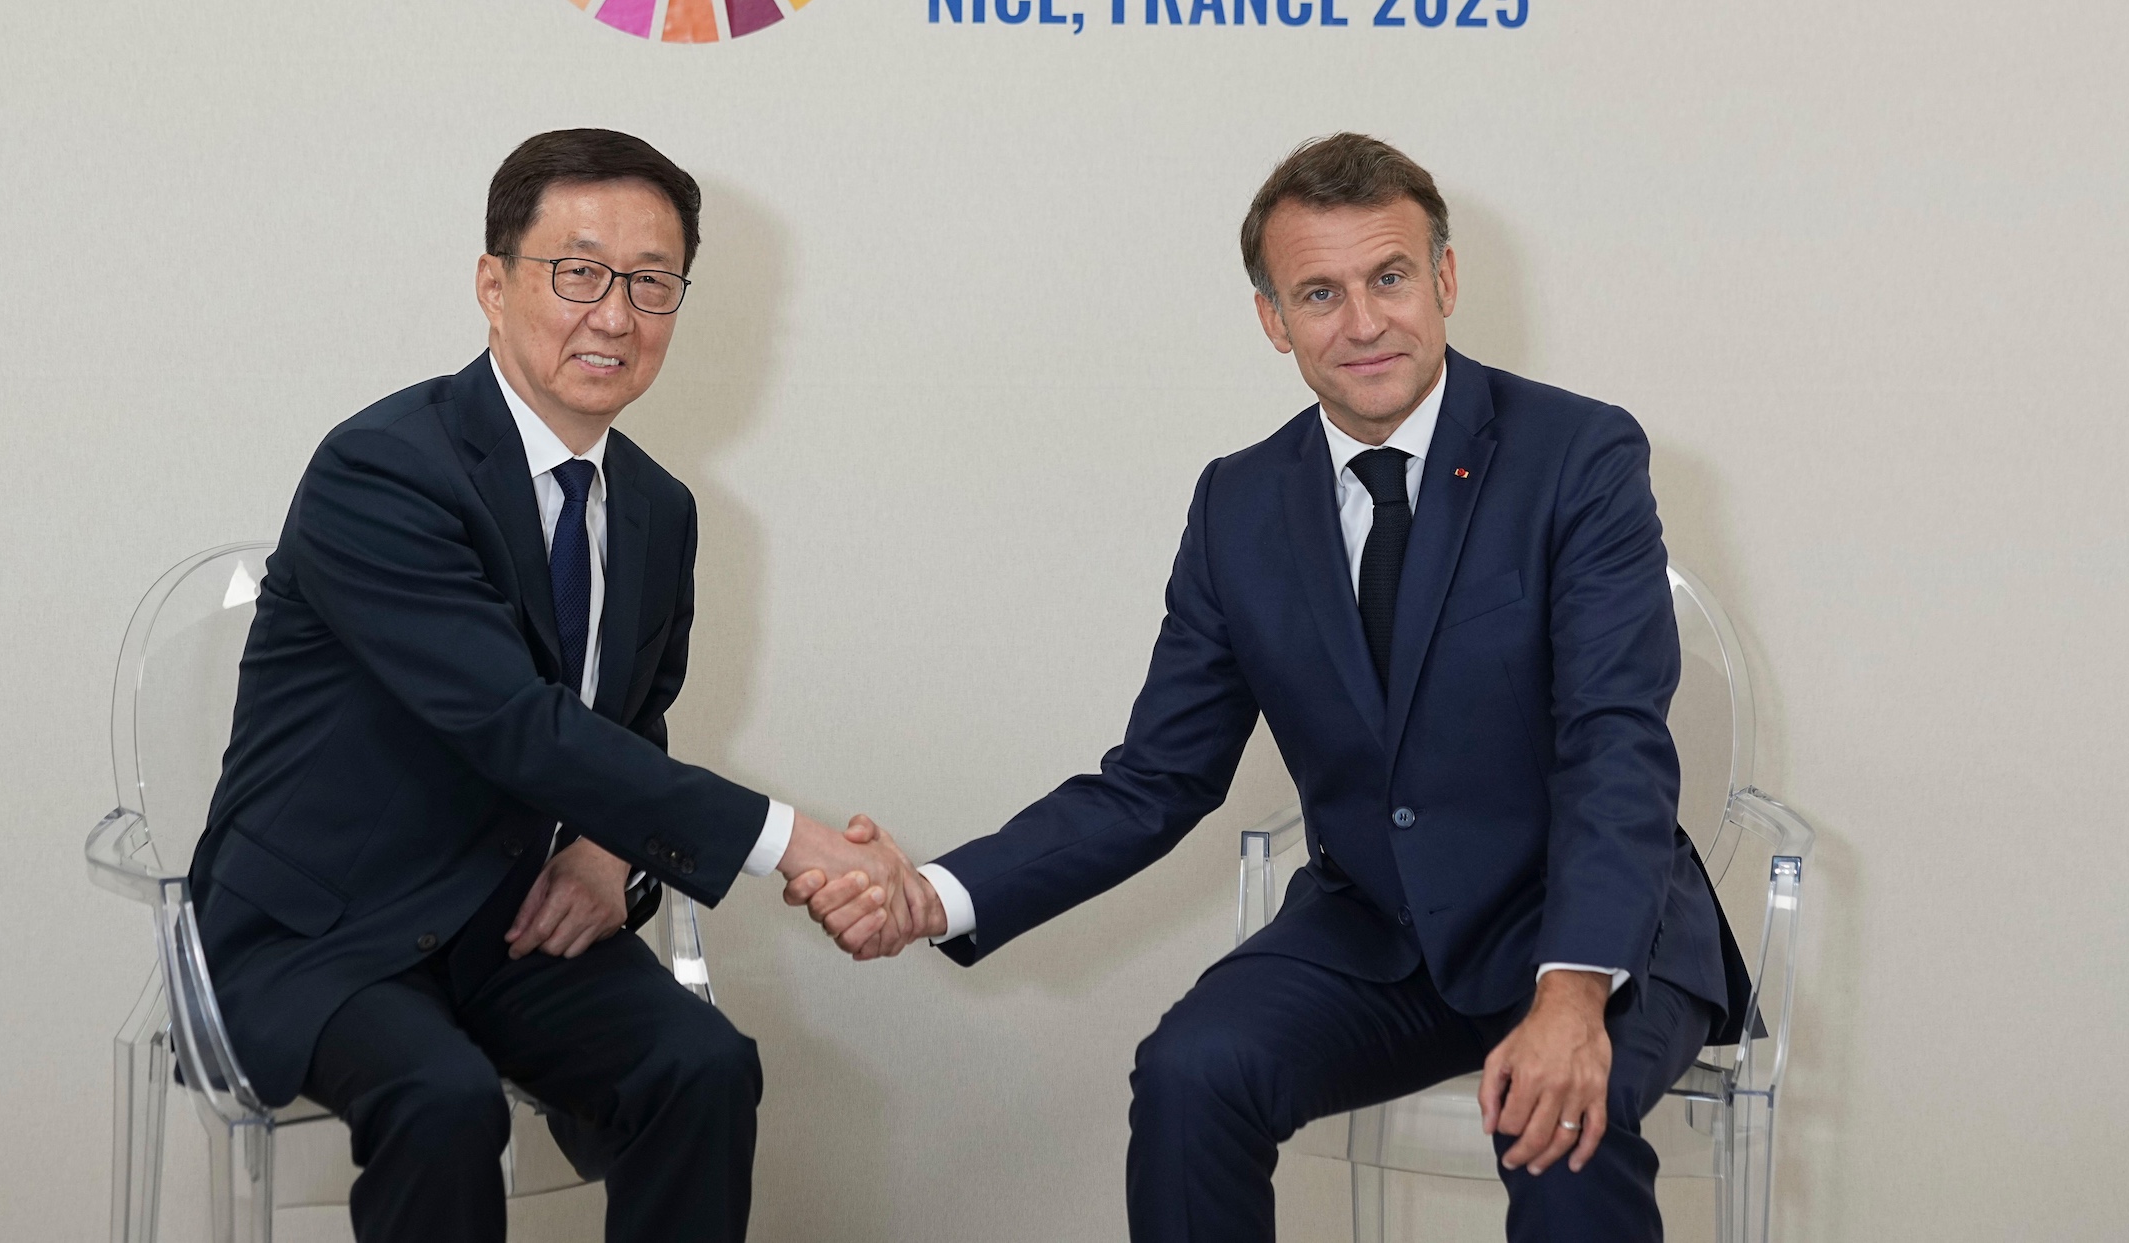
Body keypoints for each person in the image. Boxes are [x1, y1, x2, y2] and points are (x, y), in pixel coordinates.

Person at [795, 133, 1750, 1242]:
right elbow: (1155, 779)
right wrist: (936, 892)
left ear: (1443, 279)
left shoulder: (1576, 454)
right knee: (1193, 1072)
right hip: (1376, 931)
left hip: (1586, 923)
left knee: (1556, 1134)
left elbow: (1612, 740)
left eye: (1389, 278)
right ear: (1272, 320)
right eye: (1318, 292)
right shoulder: (1238, 504)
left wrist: (1572, 992)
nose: (1361, 322)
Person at [189, 128, 935, 1243]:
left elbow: (627, 724)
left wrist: (612, 846)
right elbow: (514, 726)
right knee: (438, 1101)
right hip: (324, 928)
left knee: (702, 1067)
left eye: (652, 281)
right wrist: (804, 847)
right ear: (493, 286)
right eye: (578, 272)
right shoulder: (383, 467)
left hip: (514, 925)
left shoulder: (657, 509)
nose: (616, 314)